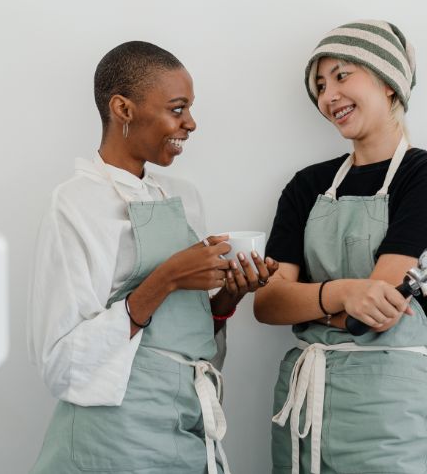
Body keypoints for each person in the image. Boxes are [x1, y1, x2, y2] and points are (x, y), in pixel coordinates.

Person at [28, 40, 278, 474]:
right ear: (122, 109)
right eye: (177, 109)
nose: (191, 123)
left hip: (184, 423)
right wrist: (166, 278)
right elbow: (60, 365)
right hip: (113, 437)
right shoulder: (74, 205)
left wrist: (227, 300)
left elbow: (185, 341)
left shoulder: (184, 197)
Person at [254, 21, 427, 474]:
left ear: (390, 85)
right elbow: (269, 303)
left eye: (342, 74)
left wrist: (314, 302)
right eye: (319, 84)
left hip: (387, 407)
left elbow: (378, 307)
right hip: (304, 408)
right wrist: (344, 295)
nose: (328, 95)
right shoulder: (307, 185)